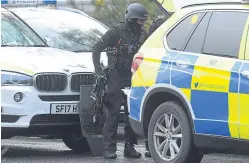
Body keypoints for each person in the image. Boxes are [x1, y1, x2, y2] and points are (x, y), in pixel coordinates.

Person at [92, 3, 150, 159]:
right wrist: (98, 71)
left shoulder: (142, 35)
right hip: (115, 76)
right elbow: (96, 48)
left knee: (131, 113)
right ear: (131, 19)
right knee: (114, 112)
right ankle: (109, 148)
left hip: (133, 76)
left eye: (144, 21)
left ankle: (129, 147)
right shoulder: (116, 33)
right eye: (140, 21)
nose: (142, 24)